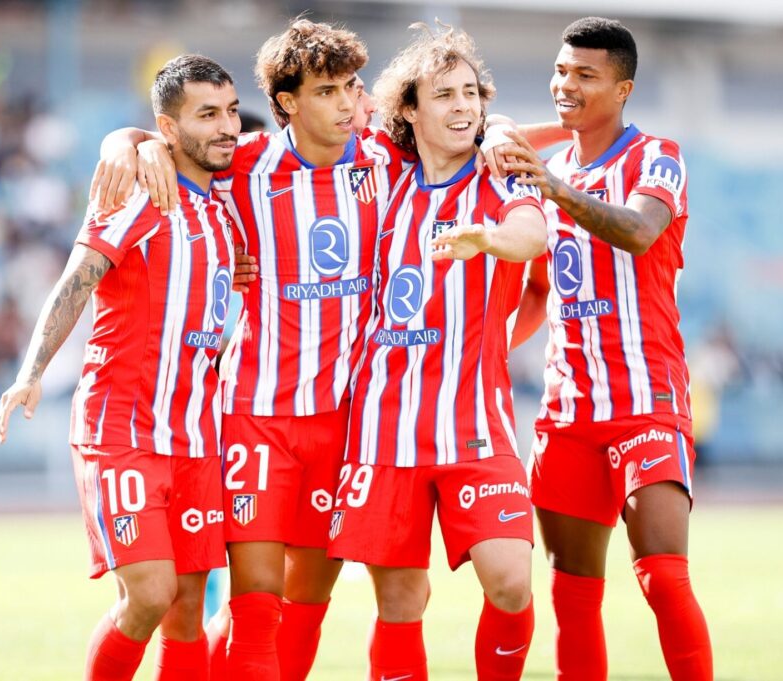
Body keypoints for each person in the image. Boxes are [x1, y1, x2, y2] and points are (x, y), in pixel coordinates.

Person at [91, 18, 412, 680]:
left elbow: (463, 136)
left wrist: (499, 133)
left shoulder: (384, 157)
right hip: (256, 418)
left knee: (304, 606)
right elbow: (165, 141)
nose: (347, 102)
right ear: (288, 102)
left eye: (352, 87)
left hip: (345, 424)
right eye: (328, 90)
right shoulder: (249, 163)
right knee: (257, 607)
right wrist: (128, 142)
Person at [0, 54, 240, 681]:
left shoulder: (226, 206)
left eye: (231, 111)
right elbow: (76, 280)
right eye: (207, 114)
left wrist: (130, 138)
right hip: (122, 429)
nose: (226, 127)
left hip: (194, 436)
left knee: (187, 610)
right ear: (168, 126)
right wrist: (31, 369)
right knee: (152, 594)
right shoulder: (137, 196)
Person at [326, 23, 547, 681]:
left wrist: (489, 238)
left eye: (471, 93)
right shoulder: (380, 175)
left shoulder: (499, 172)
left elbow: (531, 233)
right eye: (443, 94)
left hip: (475, 426)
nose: (463, 107)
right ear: (410, 110)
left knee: (510, 579)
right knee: (400, 597)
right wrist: (129, 139)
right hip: (383, 432)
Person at [499, 17, 713, 681]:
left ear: (622, 89)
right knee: (571, 593)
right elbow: (539, 290)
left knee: (663, 579)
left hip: (646, 399)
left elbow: (641, 232)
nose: (566, 84)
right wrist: (486, 349)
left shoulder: (656, 155)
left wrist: (553, 186)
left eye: (585, 75)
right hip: (568, 413)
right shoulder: (550, 166)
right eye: (562, 71)